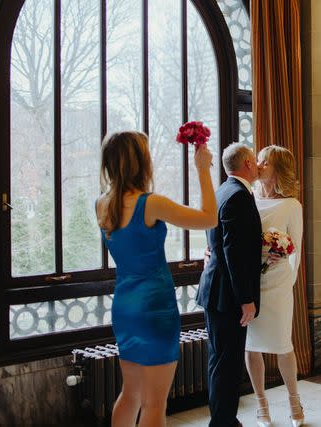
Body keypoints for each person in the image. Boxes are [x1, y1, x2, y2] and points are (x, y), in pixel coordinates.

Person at [95, 131, 216, 427]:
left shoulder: (102, 204)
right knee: (154, 404)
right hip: (154, 308)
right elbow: (209, 217)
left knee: (130, 394)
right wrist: (202, 169)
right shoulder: (150, 203)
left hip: (124, 306)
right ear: (140, 162)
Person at [197, 142, 263, 427]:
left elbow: (218, 240)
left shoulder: (223, 191)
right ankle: (223, 423)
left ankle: (224, 420)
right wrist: (245, 298)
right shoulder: (237, 196)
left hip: (216, 291)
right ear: (247, 163)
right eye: (255, 159)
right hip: (227, 296)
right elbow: (233, 253)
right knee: (228, 364)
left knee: (220, 361)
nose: (259, 165)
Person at [244, 146, 304, 427]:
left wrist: (284, 276)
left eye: (265, 162)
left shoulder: (291, 205)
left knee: (282, 344)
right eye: (258, 160)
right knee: (251, 346)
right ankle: (261, 405)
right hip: (250, 283)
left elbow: (296, 250)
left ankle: (294, 401)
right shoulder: (247, 198)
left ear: (277, 169)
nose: (258, 165)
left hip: (278, 285)